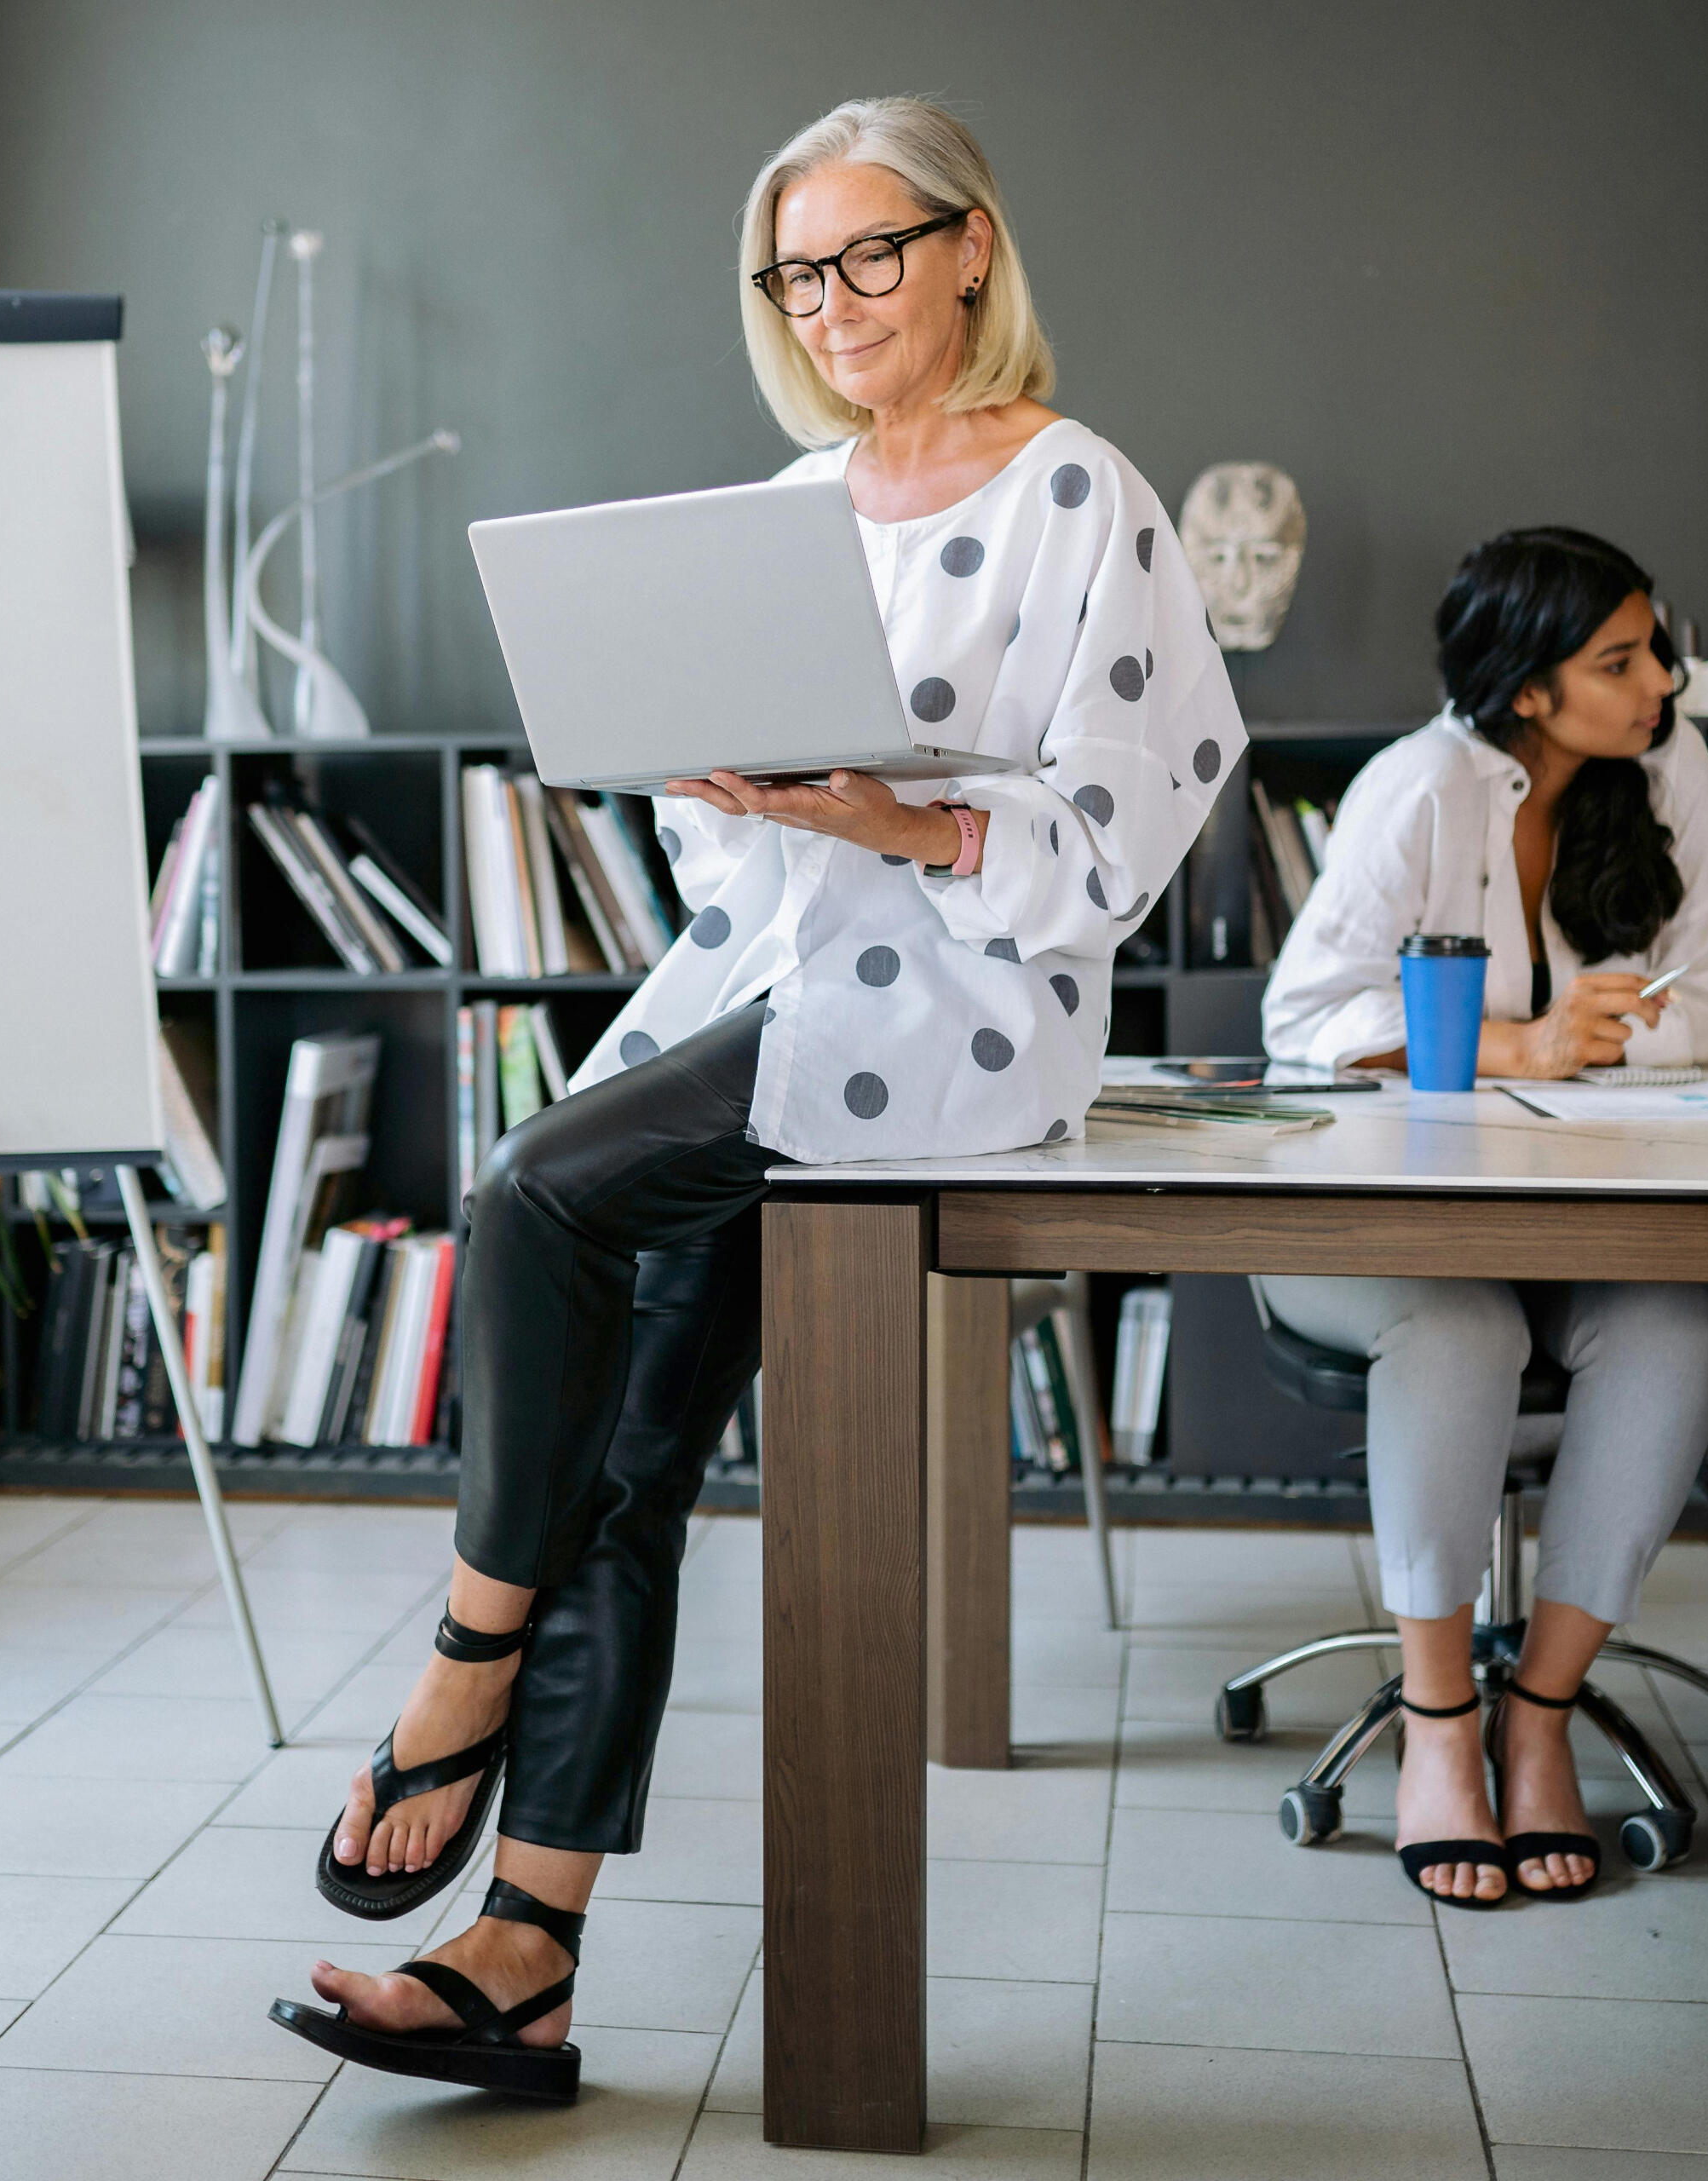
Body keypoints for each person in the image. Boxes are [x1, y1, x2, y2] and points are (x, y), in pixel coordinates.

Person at [271, 94, 1242, 2096]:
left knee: (537, 1186)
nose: (829, 303)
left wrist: (891, 815)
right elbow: (754, 883)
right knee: (628, 1453)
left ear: (970, 246)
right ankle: (523, 1957)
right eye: (797, 273)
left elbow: (1138, 820)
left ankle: (463, 1655)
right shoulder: (791, 504)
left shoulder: (1077, 493)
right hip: (782, 983)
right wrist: (721, 781)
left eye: (866, 254)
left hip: (958, 1011)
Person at [1261, 527, 1708, 1907]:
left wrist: (1588, 1041)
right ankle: (1435, 1727)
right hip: (1383, 1242)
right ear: (1526, 690)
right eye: (1622, 658)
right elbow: (1302, 1019)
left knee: (1672, 1321)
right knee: (1458, 1327)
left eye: (1657, 644)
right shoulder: (1414, 788)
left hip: (1586, 1224)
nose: (1662, 678)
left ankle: (1538, 1710)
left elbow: (1707, 1006)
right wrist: (1513, 1044)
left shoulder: (1670, 771)